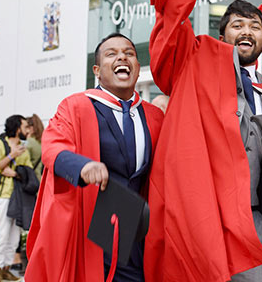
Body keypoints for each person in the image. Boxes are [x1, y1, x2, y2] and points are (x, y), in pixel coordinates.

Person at [145, 0, 262, 282]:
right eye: (237, 25)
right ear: (222, 35)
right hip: (203, 214)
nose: (246, 31)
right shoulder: (197, 60)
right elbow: (173, 12)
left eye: (254, 26)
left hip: (253, 219)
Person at [25, 33, 164, 281]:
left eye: (129, 53)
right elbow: (53, 146)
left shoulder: (154, 115)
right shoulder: (75, 106)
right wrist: (82, 166)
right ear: (97, 71)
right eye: (112, 54)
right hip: (92, 219)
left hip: (137, 224)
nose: (122, 57)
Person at [0, 115, 32, 282]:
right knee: (2, 233)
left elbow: (27, 171)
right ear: (17, 128)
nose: (27, 130)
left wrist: (14, 172)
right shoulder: (0, 144)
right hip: (4, 195)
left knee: (14, 236)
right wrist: (11, 156)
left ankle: (6, 268)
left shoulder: (23, 148)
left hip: (19, 196)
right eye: (25, 126)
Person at [24, 114, 45, 180]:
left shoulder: (29, 142)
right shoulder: (42, 142)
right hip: (39, 179)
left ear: (31, 128)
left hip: (30, 181)